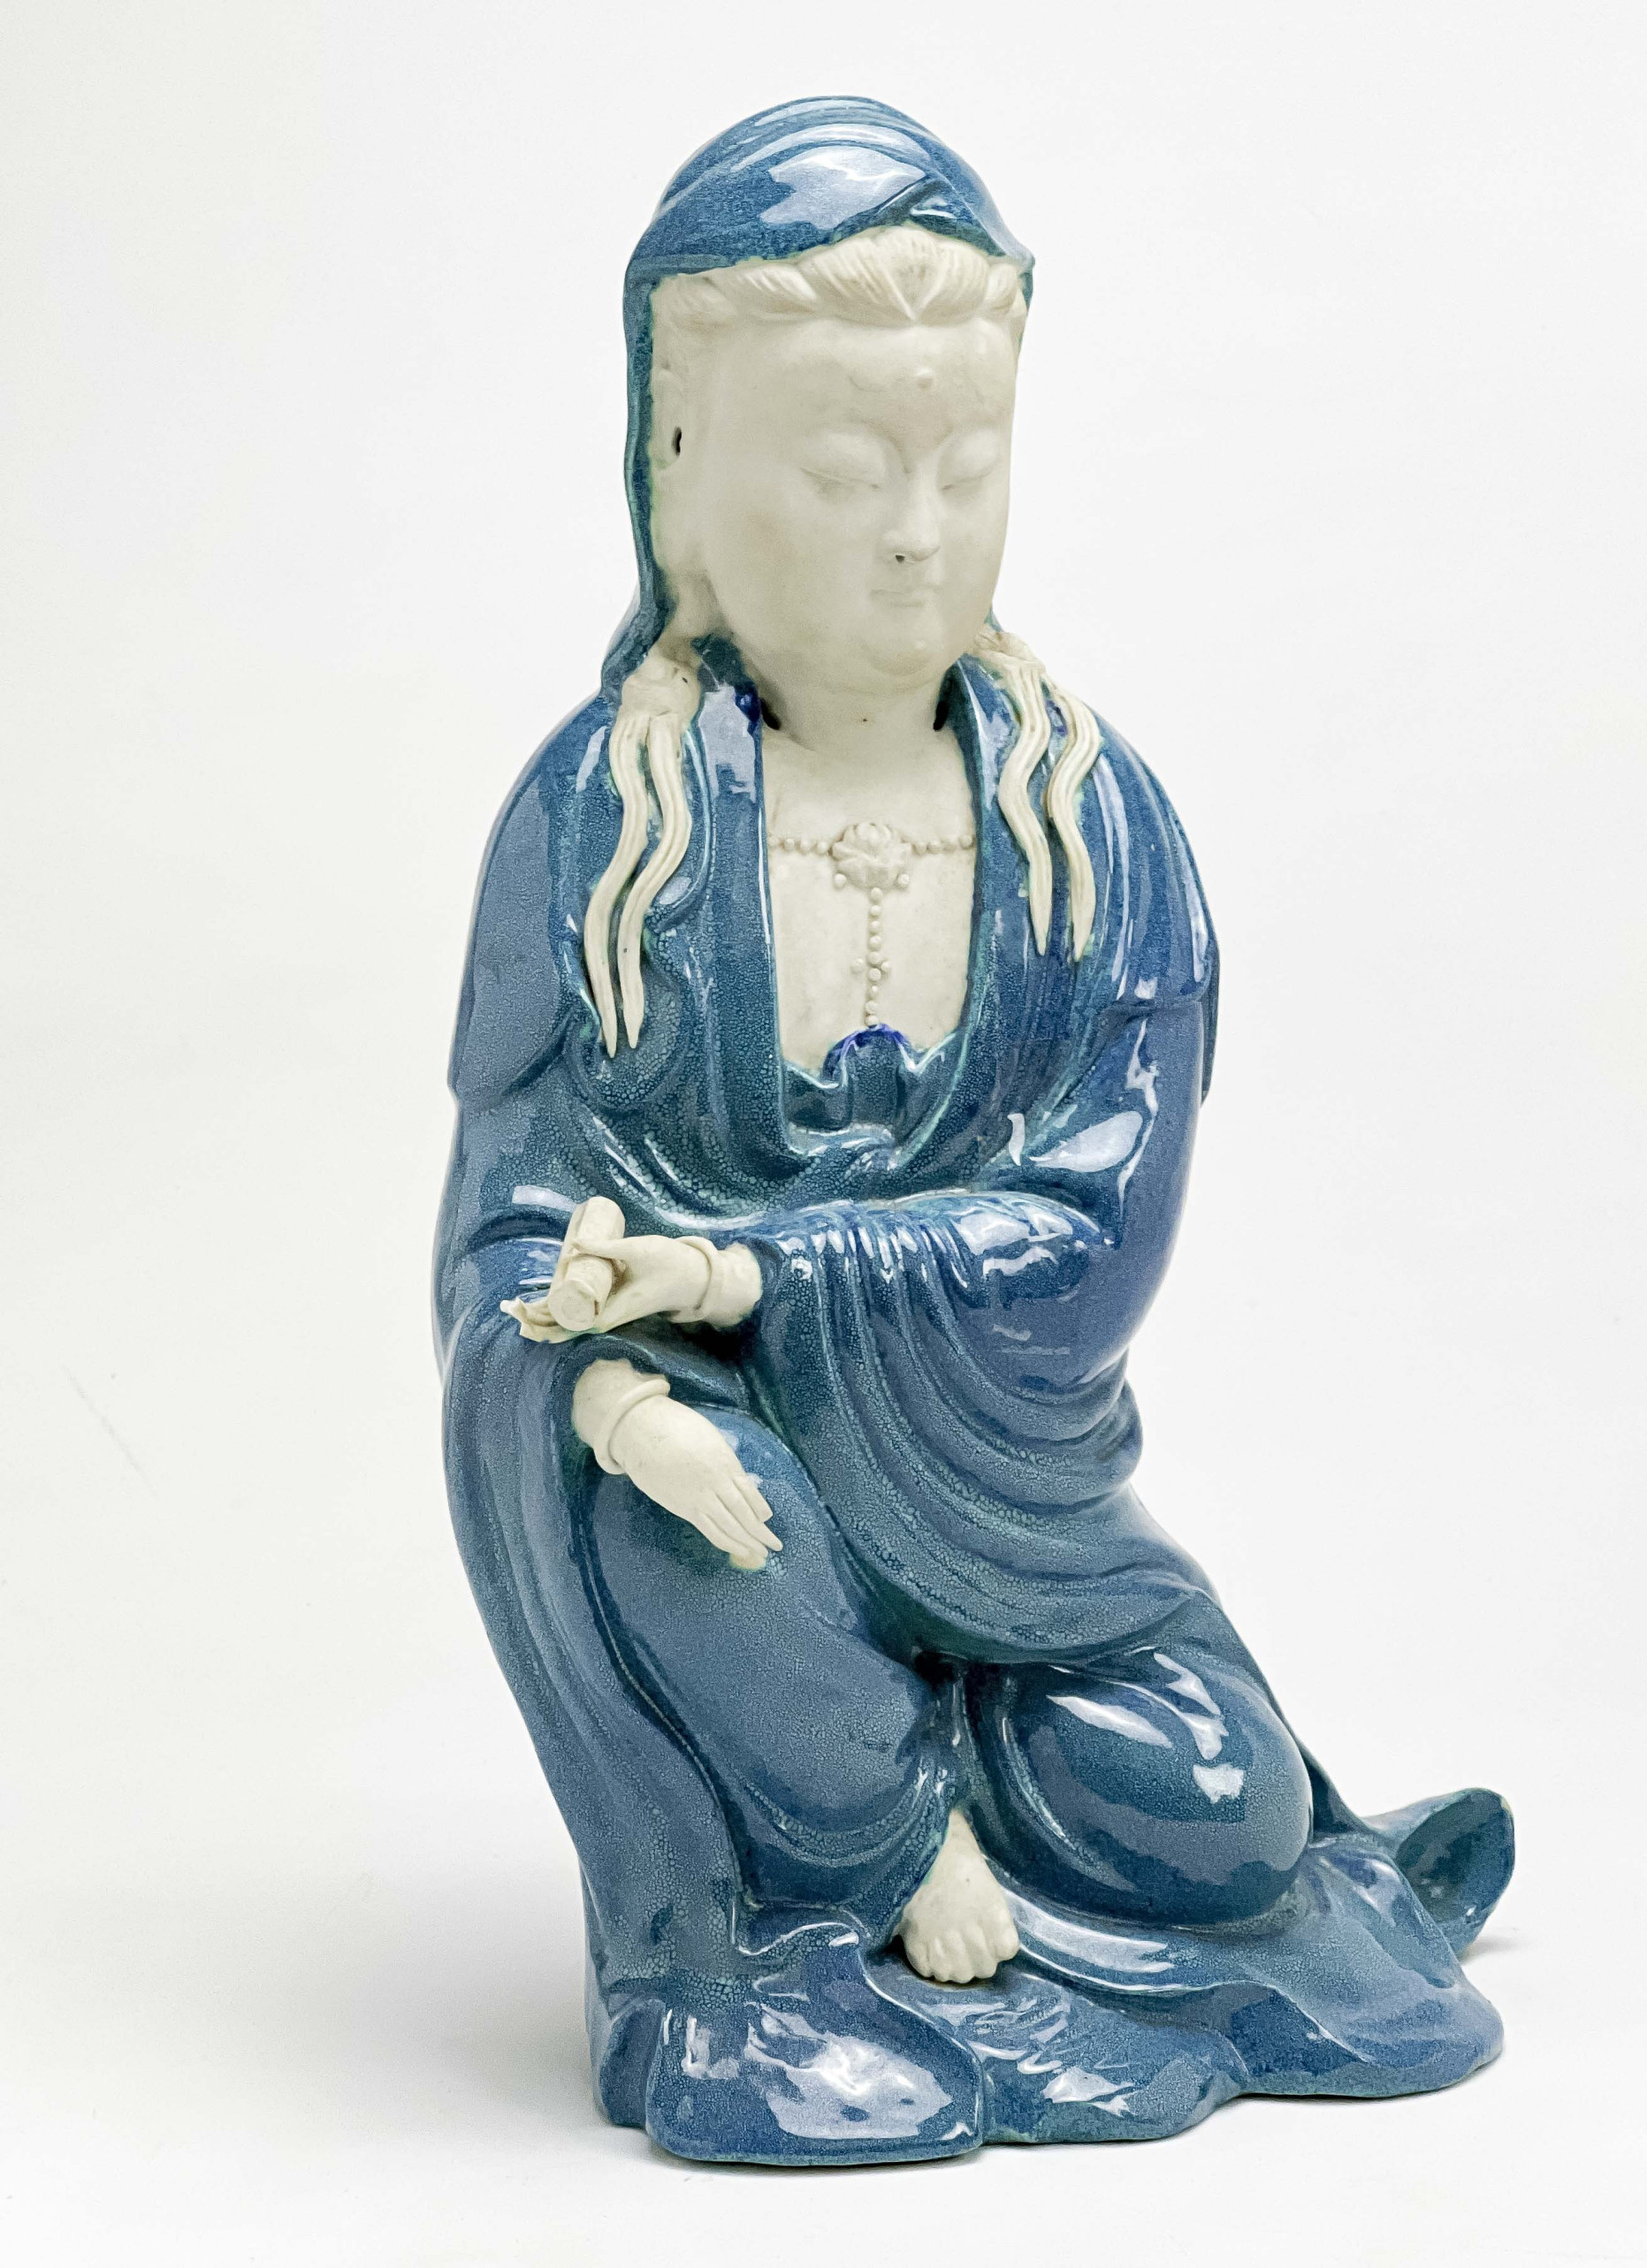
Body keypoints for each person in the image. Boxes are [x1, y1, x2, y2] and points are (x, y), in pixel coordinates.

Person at [435, 96, 1513, 2166]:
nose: (916, 533)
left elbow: (1098, 1241)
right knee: (693, 1518)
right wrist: (610, 1391)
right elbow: (508, 1228)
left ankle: (929, 1810)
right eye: (847, 472)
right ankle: (862, 1864)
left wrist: (751, 1267)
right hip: (733, 1511)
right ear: (681, 470)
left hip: (1011, 1526)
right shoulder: (600, 827)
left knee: (1220, 1807)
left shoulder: (1091, 828)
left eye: (965, 463)